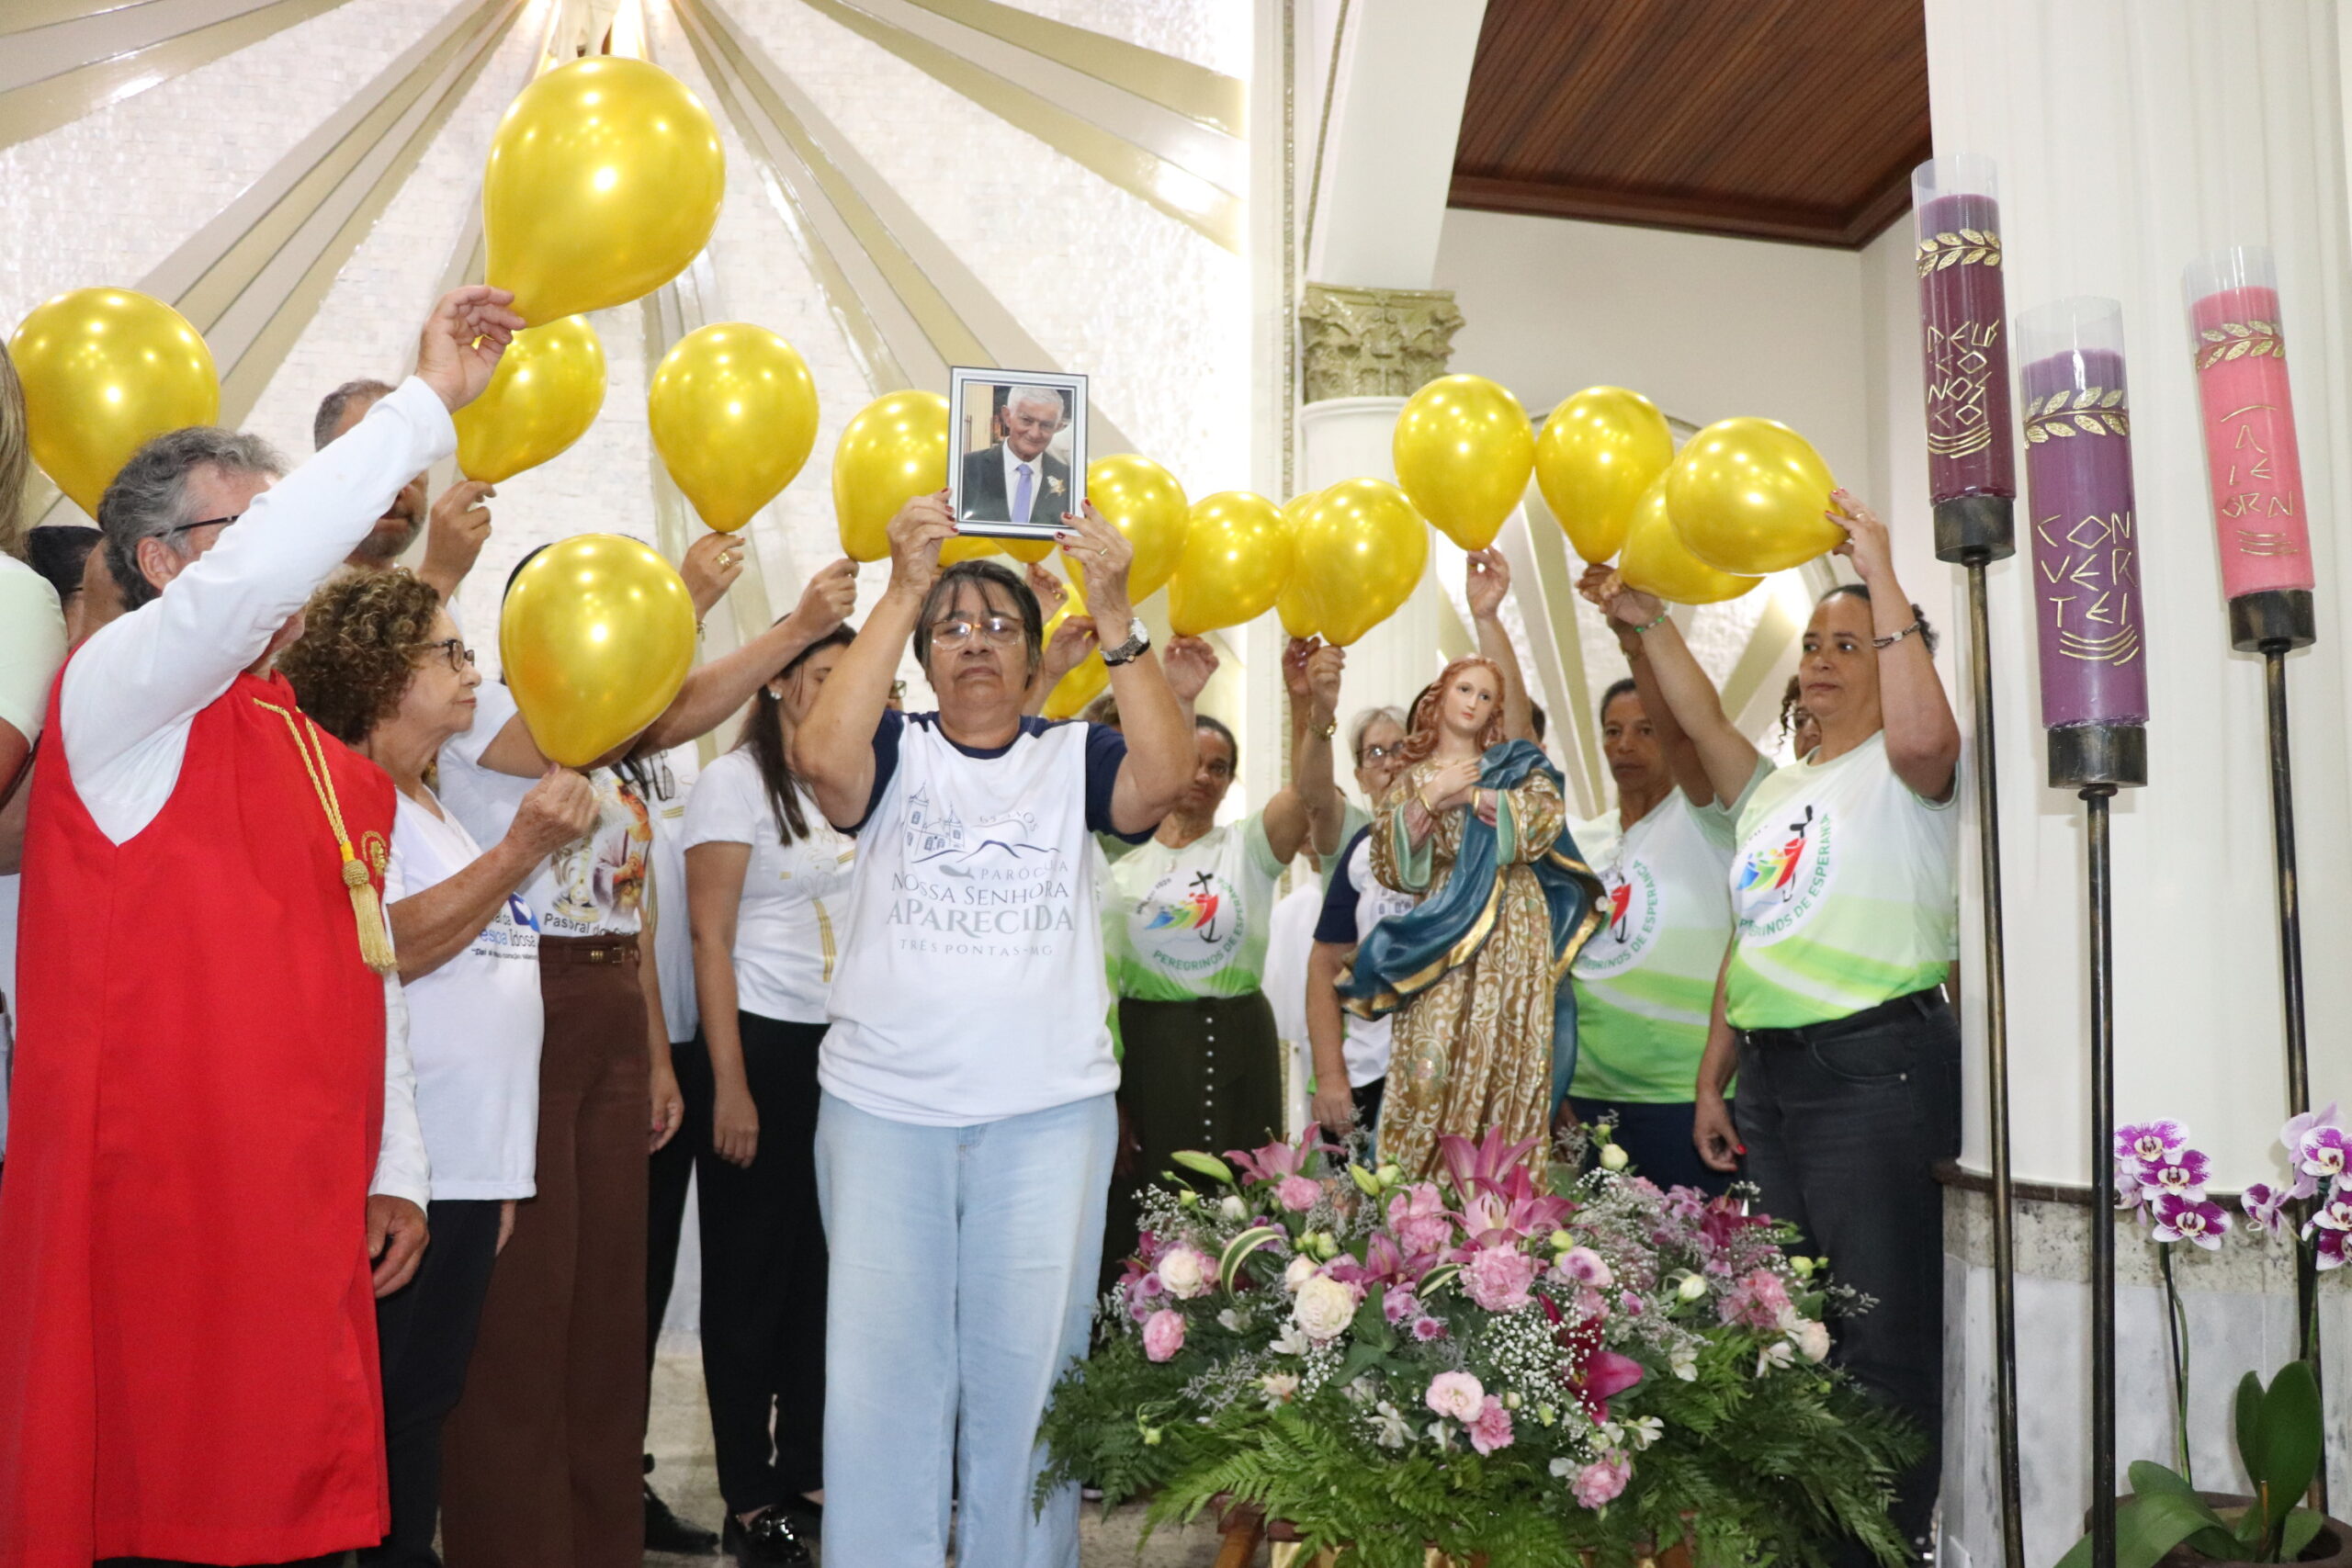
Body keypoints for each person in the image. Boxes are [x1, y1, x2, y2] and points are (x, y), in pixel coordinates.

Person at [0, 285, 520, 1568]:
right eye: (242, 535)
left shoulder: (314, 750)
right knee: (165, 1519)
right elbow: (258, 581)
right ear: (166, 561)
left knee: (299, 1524)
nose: (278, 562)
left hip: (293, 1221)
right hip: (161, 1227)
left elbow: (369, 967)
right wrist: (425, 406)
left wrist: (398, 1155)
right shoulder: (117, 698)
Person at [431, 536, 854, 1568]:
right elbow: (665, 709)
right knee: (528, 1310)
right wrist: (774, 627)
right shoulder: (487, 718)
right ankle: (515, 1542)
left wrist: (661, 1061)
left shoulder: (615, 745)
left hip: (620, 1014)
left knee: (608, 1306)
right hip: (525, 1011)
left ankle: (599, 1534)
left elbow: (643, 887)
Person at [794, 493, 1192, 1568]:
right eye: (952, 628)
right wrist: (901, 589)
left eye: (1000, 626)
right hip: (885, 1114)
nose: (975, 641)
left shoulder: (1074, 758)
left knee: (1029, 1380)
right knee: (883, 1383)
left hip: (1046, 1119)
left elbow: (1166, 778)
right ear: (922, 658)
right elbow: (821, 766)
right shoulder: (889, 747)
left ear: (1031, 662)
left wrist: (1115, 611)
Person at [1592, 489, 1961, 1564]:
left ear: (1891, 659)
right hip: (1774, 1080)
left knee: (1880, 1338)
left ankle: (1880, 1548)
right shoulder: (1772, 793)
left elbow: (1928, 724)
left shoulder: (1906, 774)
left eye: (1847, 645)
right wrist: (1645, 619)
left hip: (1874, 1072)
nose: (1821, 661)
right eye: (1812, 645)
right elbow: (1703, 729)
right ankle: (1810, 1537)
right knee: (1797, 1328)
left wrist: (1878, 569)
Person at [277, 569, 600, 1567]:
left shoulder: (430, 800)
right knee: (375, 1421)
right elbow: (383, 947)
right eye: (450, 655)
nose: (473, 675)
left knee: (418, 1408)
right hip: (395, 1175)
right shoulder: (340, 791)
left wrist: (495, 1173)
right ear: (379, 672)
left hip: (464, 1168)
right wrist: (522, 849)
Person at [682, 624, 860, 1566]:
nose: (838, 692)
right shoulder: (733, 784)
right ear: (782, 684)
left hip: (849, 1055)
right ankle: (750, 1494)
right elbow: (709, 939)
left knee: (822, 1272)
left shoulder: (854, 776)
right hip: (756, 1045)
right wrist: (731, 1085)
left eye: (852, 677)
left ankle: (809, 1464)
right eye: (823, 675)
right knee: (750, 1279)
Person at [1102, 632, 1346, 1261]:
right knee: (1145, 1207)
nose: (1202, 776)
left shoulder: (1248, 847)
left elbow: (1312, 795)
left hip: (1241, 1042)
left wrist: (1305, 704)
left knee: (1243, 1206)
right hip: (1150, 1051)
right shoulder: (1116, 849)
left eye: (1219, 767)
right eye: (1194, 760)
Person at [1340, 656, 1601, 1179]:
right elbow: (1393, 867)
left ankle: (1499, 1205)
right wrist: (1432, 797)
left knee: (1509, 1060)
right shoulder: (1412, 777)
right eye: (1464, 688)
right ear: (1441, 693)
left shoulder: (1515, 764)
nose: (1472, 703)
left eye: (1486, 697)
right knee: (1425, 1070)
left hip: (1513, 927)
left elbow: (1545, 819)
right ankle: (1412, 1200)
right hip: (1440, 927)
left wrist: (1477, 795)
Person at [1562, 578, 1744, 1194]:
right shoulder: (1584, 842)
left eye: (1643, 730)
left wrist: (1638, 641)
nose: (1626, 745)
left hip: (1683, 1095)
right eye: (1612, 731)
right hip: (1588, 1094)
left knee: (1695, 1275)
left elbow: (1687, 733)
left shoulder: (1708, 819)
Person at [1305, 705, 1414, 1145]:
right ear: (1360, 776)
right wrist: (1331, 1077)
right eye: (1375, 753)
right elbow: (1325, 965)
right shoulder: (1360, 851)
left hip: (1447, 1070)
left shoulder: (1460, 840)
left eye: (1401, 748)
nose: (1389, 763)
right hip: (1371, 1068)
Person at [313, 378, 496, 600]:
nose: (397, 487)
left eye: (411, 463)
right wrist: (440, 575)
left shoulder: (429, 599)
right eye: (371, 464)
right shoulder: (289, 602)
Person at [958, 385, 1071, 525]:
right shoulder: (966, 468)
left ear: (1058, 427)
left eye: (1046, 425)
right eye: (1026, 420)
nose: (1035, 433)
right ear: (1007, 416)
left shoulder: (1069, 479)